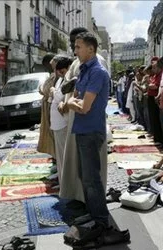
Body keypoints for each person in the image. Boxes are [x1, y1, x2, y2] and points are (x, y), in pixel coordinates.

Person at [59, 27, 109, 211]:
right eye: (74, 45)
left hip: (89, 126)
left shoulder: (97, 69)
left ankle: (98, 217)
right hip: (80, 125)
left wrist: (70, 103)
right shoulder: (83, 67)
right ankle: (89, 206)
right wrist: (70, 101)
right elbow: (73, 89)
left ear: (90, 48)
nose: (75, 50)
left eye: (78, 45)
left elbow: (85, 105)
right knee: (84, 174)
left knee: (91, 176)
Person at [50, 55, 74, 183]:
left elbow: (59, 96)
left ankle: (66, 182)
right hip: (57, 123)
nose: (58, 73)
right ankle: (62, 180)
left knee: (64, 155)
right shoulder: (61, 79)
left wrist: (54, 91)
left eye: (61, 71)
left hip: (62, 122)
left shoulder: (68, 78)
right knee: (60, 156)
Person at [37, 53, 57, 158]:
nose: (46, 68)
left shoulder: (56, 76)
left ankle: (56, 156)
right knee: (50, 133)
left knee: (53, 133)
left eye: (46, 65)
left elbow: (47, 90)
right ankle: (54, 155)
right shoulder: (51, 76)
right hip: (47, 108)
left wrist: (41, 89)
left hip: (51, 108)